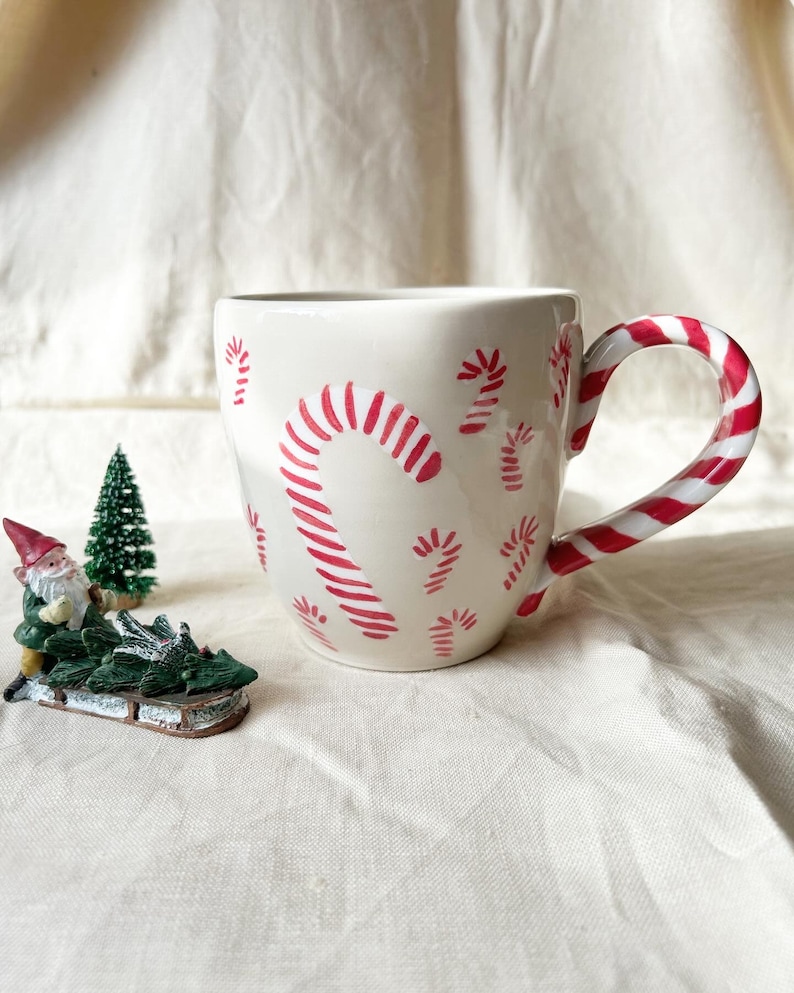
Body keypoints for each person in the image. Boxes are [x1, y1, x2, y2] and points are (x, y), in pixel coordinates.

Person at [3, 518, 117, 701]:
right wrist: (47, 613)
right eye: (52, 564)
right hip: (48, 633)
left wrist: (102, 601)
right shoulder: (38, 588)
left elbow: (88, 604)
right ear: (27, 575)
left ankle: (97, 668)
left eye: (64, 558)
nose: (64, 564)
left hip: (84, 632)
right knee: (32, 649)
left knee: (102, 636)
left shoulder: (78, 579)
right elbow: (30, 613)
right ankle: (27, 677)